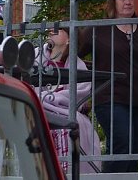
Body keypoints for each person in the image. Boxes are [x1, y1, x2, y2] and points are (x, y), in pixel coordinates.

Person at [77, 0, 138, 173]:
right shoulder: (98, 29)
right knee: (122, 143)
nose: (128, 2)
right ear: (113, 2)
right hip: (110, 98)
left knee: (133, 150)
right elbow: (74, 55)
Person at [35, 27, 102, 175]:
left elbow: (79, 91)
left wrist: (50, 99)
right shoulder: (35, 55)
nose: (51, 30)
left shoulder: (77, 64)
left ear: (69, 39)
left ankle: (64, 173)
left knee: (70, 123)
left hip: (62, 109)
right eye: (51, 28)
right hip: (36, 106)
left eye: (58, 29)